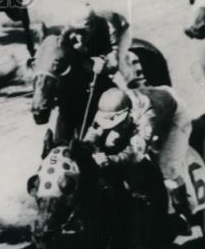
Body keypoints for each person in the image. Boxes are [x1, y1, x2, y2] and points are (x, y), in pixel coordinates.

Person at [83, 83, 194, 231]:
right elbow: (93, 132)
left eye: (115, 122)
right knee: (111, 141)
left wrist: (111, 159)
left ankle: (183, 213)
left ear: (128, 115)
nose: (109, 126)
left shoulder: (147, 117)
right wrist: (87, 142)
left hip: (174, 116)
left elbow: (136, 153)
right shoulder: (111, 103)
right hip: (153, 98)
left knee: (167, 168)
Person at [63, 3, 142, 87]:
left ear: (92, 26)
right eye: (76, 31)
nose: (79, 35)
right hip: (96, 33)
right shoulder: (71, 24)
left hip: (120, 31)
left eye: (83, 31)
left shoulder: (108, 27)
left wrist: (103, 66)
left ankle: (133, 93)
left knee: (120, 65)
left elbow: (113, 62)